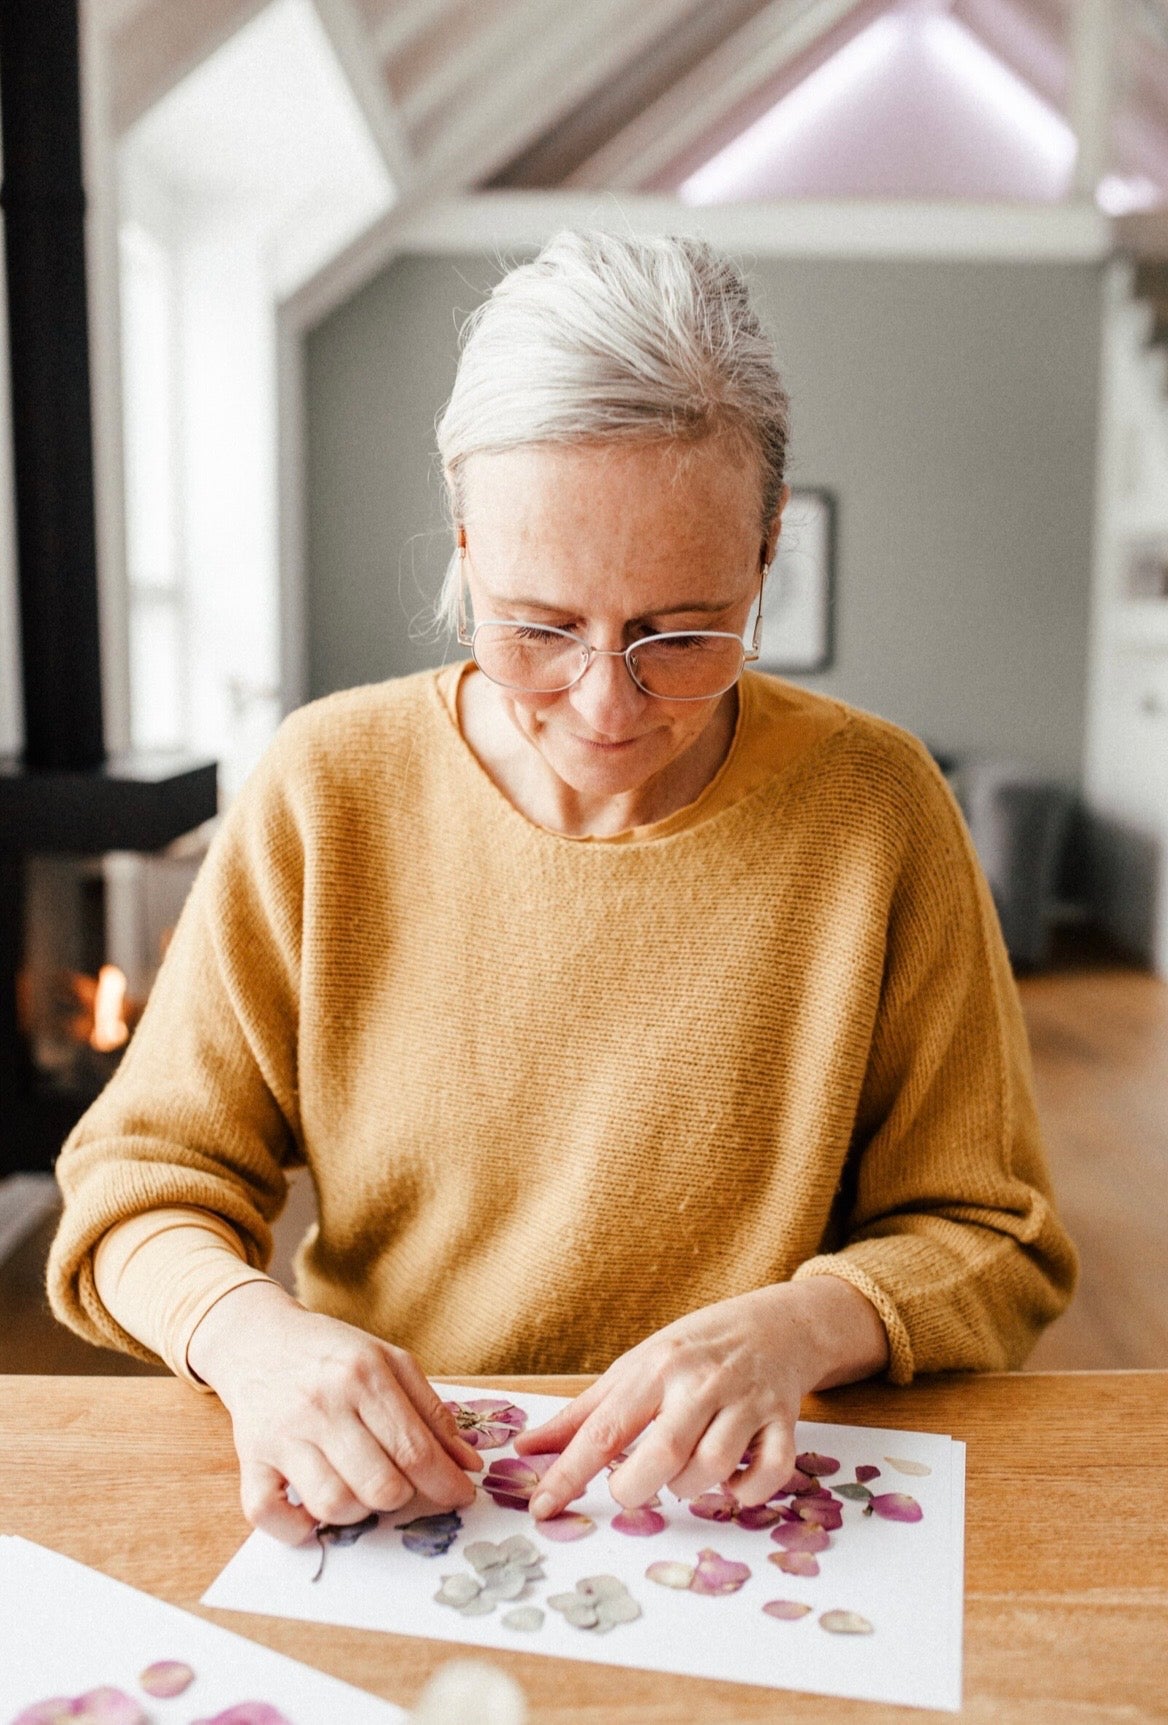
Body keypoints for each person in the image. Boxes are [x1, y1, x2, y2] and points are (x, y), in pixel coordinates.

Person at [48, 229, 1076, 1544]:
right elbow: (137, 1182)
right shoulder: (326, 786)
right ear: (468, 546)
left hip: (749, 1513)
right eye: (539, 628)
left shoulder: (879, 809)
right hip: (402, 1510)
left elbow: (997, 1232)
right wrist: (254, 1343)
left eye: (681, 634)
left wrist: (808, 1322)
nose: (604, 707)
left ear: (767, 556)